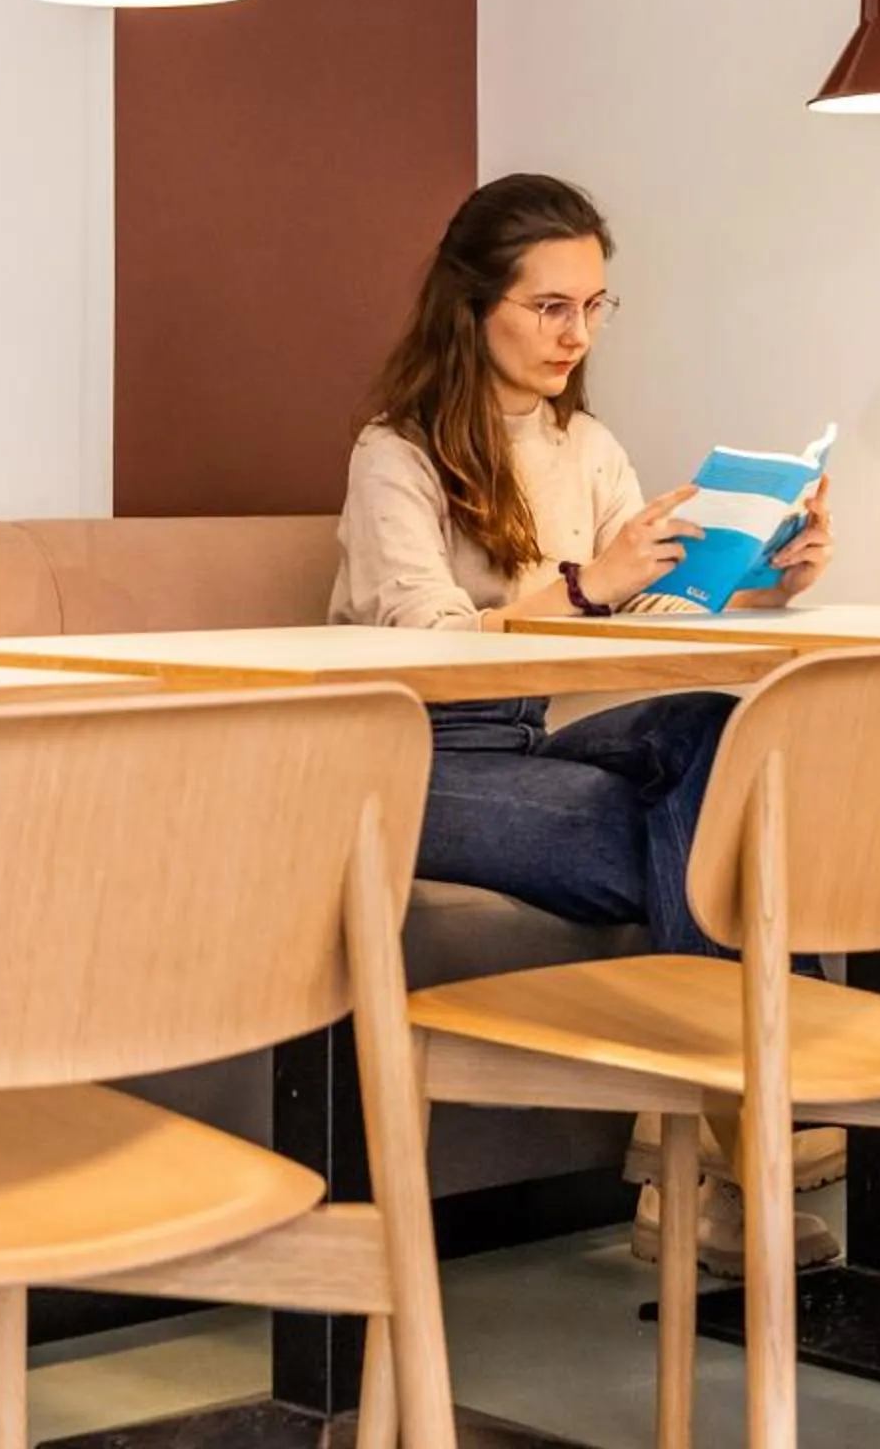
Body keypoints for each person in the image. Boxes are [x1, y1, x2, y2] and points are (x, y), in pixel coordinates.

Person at [332, 172, 838, 1270]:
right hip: (407, 755)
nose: (577, 331)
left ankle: (699, 1148)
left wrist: (757, 581)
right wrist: (588, 585)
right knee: (697, 840)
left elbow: (646, 601)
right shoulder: (396, 454)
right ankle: (718, 1138)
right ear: (475, 306)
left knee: (714, 731)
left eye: (594, 305)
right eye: (550, 305)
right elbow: (426, 640)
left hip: (532, 738)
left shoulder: (586, 443)